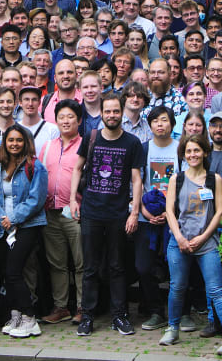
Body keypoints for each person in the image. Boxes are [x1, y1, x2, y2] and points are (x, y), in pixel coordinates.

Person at [70, 92, 144, 337]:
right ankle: (88, 315)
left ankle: (119, 315)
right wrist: (73, 199)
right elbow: (77, 168)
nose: (112, 115)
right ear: (101, 113)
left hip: (117, 213)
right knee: (90, 267)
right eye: (108, 111)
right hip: (91, 211)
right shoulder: (91, 137)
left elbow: (136, 179)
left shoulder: (132, 143)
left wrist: (134, 212)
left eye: (116, 111)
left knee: (117, 266)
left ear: (122, 113)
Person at [159, 134, 222, 356]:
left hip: (207, 243)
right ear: (183, 155)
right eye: (188, 151)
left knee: (216, 288)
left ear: (205, 152)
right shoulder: (177, 179)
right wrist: (180, 238)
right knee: (177, 287)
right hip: (179, 242)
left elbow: (220, 211)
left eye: (197, 150)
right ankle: (172, 329)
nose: (193, 155)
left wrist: (203, 237)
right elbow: (169, 212)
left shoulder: (214, 179)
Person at [0, 125, 48, 339]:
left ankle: (30, 318)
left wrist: (13, 218)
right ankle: (16, 314)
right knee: (7, 272)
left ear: (26, 142)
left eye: (19, 140)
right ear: (5, 142)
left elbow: (36, 199)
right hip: (2, 228)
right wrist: (2, 219)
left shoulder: (35, 166)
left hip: (27, 226)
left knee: (14, 271)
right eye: (11, 140)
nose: (14, 144)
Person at [38, 99, 85, 325]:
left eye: (70, 117)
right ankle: (61, 307)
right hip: (50, 212)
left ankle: (83, 306)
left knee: (80, 262)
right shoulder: (48, 146)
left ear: (79, 120)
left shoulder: (86, 146)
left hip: (75, 212)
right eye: (61, 117)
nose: (65, 121)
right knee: (57, 263)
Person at [136, 106, 180, 331]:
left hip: (174, 218)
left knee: (177, 268)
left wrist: (170, 212)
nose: (160, 124)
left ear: (172, 123)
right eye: (155, 121)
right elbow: (135, 183)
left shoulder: (180, 149)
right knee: (143, 267)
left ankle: (180, 313)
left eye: (164, 120)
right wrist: (142, 210)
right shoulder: (143, 149)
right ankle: (156, 311)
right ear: (150, 125)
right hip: (147, 217)